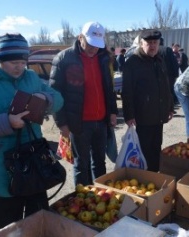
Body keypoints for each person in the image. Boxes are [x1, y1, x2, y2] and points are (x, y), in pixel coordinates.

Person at [0, 33, 64, 230]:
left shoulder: (31, 77)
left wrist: (44, 99)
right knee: (9, 230)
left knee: (40, 224)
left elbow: (58, 99)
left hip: (35, 165)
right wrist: (7, 122)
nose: (19, 67)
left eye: (23, 62)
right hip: (1, 173)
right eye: (13, 62)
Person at [49, 21, 118, 186]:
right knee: (82, 164)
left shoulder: (103, 58)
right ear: (80, 38)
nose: (94, 49)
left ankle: (101, 196)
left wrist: (113, 112)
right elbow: (54, 94)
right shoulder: (64, 59)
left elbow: (109, 88)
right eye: (90, 44)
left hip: (101, 121)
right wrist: (61, 123)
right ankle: (83, 200)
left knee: (100, 163)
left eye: (97, 45)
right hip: (78, 124)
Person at [122, 29, 174, 172]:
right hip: (142, 116)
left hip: (158, 115)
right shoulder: (133, 62)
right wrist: (129, 115)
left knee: (156, 147)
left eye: (155, 43)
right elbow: (127, 91)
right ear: (141, 43)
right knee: (144, 149)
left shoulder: (159, 59)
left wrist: (170, 107)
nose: (152, 46)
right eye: (149, 43)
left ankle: (154, 176)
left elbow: (165, 85)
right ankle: (144, 177)